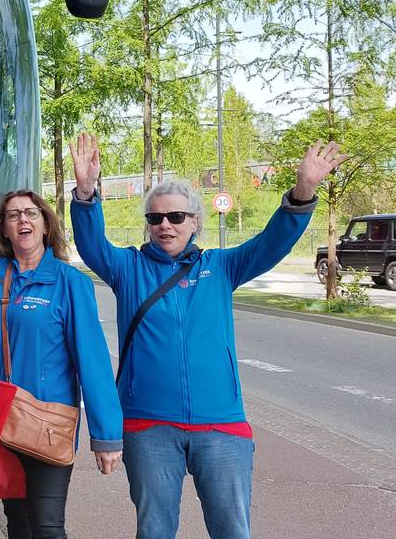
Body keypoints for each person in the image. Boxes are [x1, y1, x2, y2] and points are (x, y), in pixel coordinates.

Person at [69, 134, 344, 539]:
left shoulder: (222, 266)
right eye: (156, 218)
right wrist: (87, 193)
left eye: (176, 217)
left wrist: (303, 191)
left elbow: (272, 243)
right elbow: (91, 245)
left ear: (195, 221)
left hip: (221, 426)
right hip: (148, 426)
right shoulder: (127, 268)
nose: (165, 225)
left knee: (231, 531)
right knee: (155, 531)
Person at [0, 123, 122, 539]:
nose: (22, 220)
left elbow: (94, 363)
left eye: (31, 213)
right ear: (5, 229)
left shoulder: (71, 284)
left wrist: (106, 436)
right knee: (18, 523)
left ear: (46, 226)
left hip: (49, 419)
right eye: (13, 215)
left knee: (48, 526)